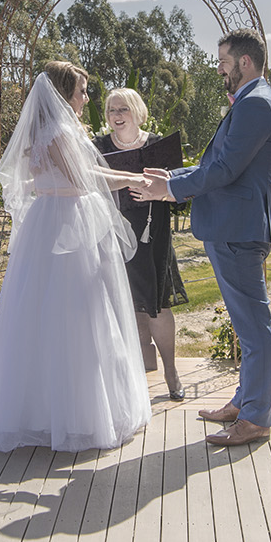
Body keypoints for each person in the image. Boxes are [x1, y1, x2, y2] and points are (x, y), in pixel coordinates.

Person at [0, 62, 154, 452]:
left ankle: (42, 410)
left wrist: (126, 178)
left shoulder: (47, 130)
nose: (87, 99)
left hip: (49, 220)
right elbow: (85, 178)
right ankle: (76, 415)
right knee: (79, 313)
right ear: (63, 92)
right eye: (82, 91)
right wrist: (134, 179)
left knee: (45, 314)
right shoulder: (57, 132)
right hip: (68, 225)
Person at [134, 28, 271, 446]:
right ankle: (245, 401)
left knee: (254, 328)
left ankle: (255, 418)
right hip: (231, 227)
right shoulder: (252, 103)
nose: (219, 69)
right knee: (246, 324)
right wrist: (173, 176)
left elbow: (225, 170)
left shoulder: (255, 104)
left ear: (245, 62)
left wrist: (170, 189)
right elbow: (217, 163)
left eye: (223, 62)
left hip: (237, 230)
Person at [94, 87, 188, 401]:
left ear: (138, 111)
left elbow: (177, 194)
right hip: (112, 235)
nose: (116, 116)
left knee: (157, 305)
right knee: (124, 306)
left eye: (123, 109)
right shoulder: (98, 147)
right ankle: (131, 380)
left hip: (152, 234)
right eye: (111, 110)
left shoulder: (157, 146)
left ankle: (171, 371)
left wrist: (158, 190)